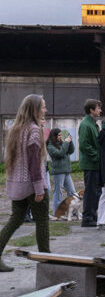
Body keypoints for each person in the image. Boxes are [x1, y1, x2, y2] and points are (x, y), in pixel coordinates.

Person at [0, 95, 50, 272]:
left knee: (15, 219)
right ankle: (47, 261)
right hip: (33, 185)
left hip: (18, 184)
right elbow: (34, 163)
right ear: (34, 109)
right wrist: (39, 189)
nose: (45, 110)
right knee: (42, 221)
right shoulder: (34, 130)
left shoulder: (16, 129)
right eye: (43, 107)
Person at [79, 99, 102, 227]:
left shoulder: (93, 123)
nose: (100, 110)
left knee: (95, 191)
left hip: (94, 163)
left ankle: (92, 215)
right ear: (91, 110)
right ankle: (87, 217)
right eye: (98, 108)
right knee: (90, 191)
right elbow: (84, 145)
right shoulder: (85, 124)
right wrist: (97, 156)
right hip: (90, 163)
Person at [46, 128, 78, 215]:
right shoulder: (50, 146)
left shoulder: (62, 143)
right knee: (58, 192)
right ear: (54, 136)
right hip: (58, 172)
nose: (60, 137)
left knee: (72, 191)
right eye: (59, 135)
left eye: (61, 135)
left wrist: (70, 141)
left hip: (66, 170)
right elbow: (60, 154)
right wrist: (66, 143)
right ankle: (57, 212)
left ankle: (73, 211)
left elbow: (71, 151)